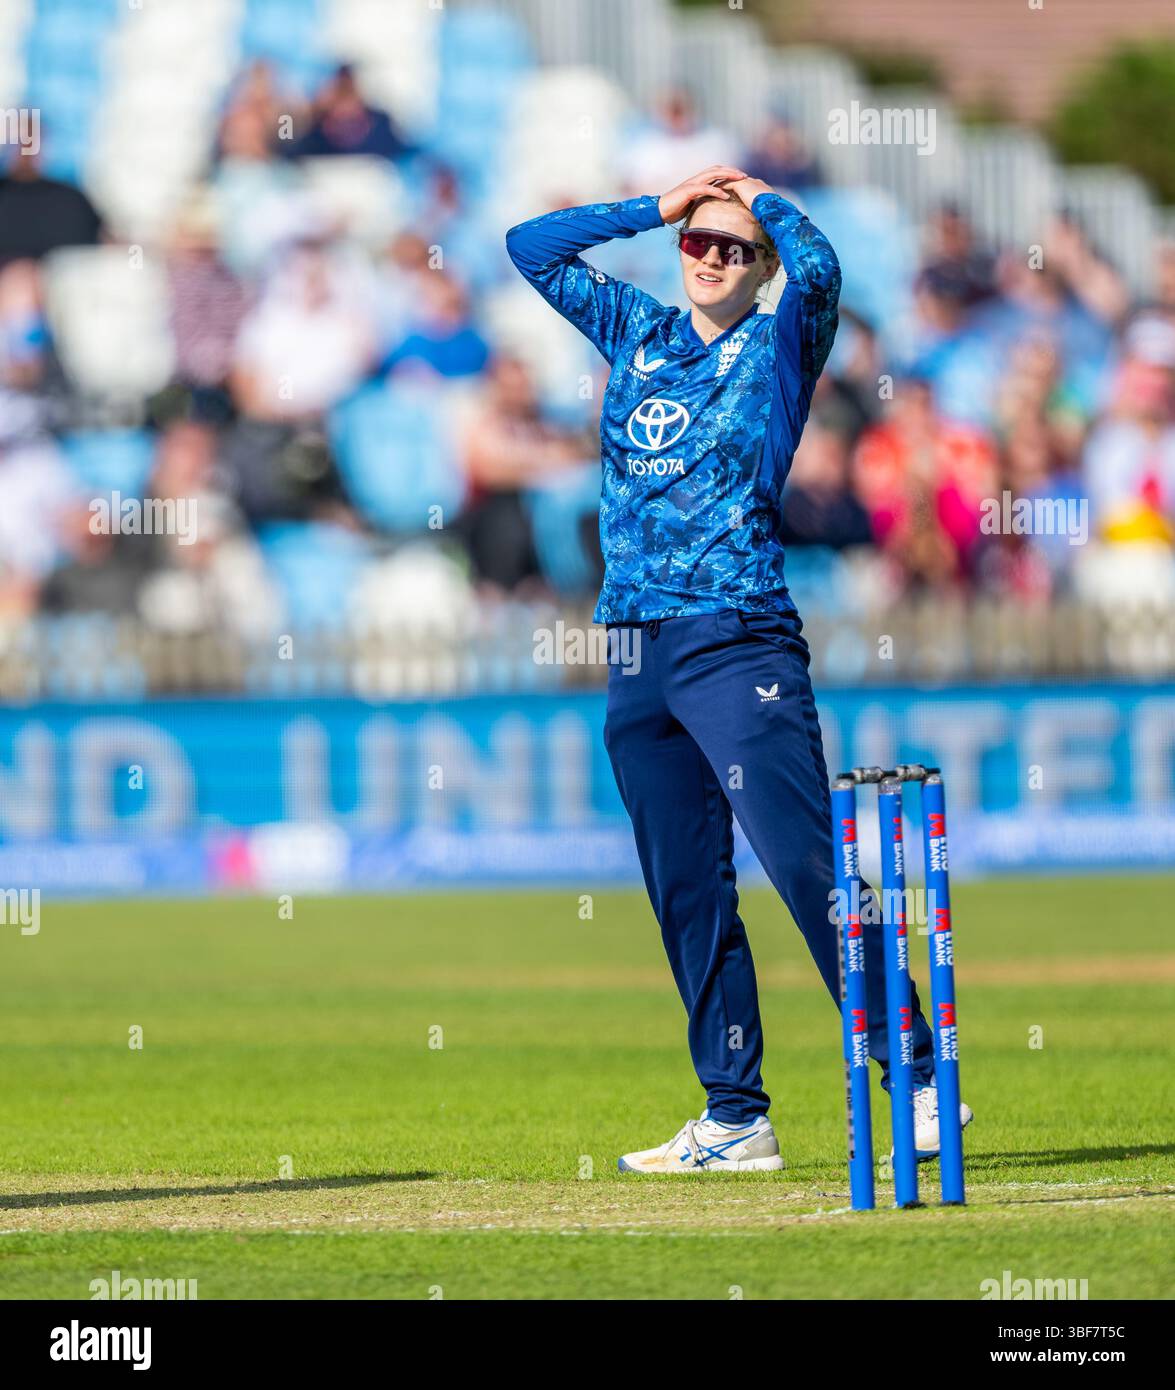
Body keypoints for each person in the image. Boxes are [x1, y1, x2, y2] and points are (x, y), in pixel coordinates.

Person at [507, 167, 972, 1173]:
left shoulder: (777, 344)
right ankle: (733, 1114)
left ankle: (920, 1076)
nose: (710, 259)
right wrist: (657, 208)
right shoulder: (636, 329)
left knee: (804, 864)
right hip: (632, 643)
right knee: (685, 886)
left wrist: (765, 204)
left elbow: (822, 267)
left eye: (731, 250)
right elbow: (527, 247)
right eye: (697, 245)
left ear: (758, 267)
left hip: (735, 636)